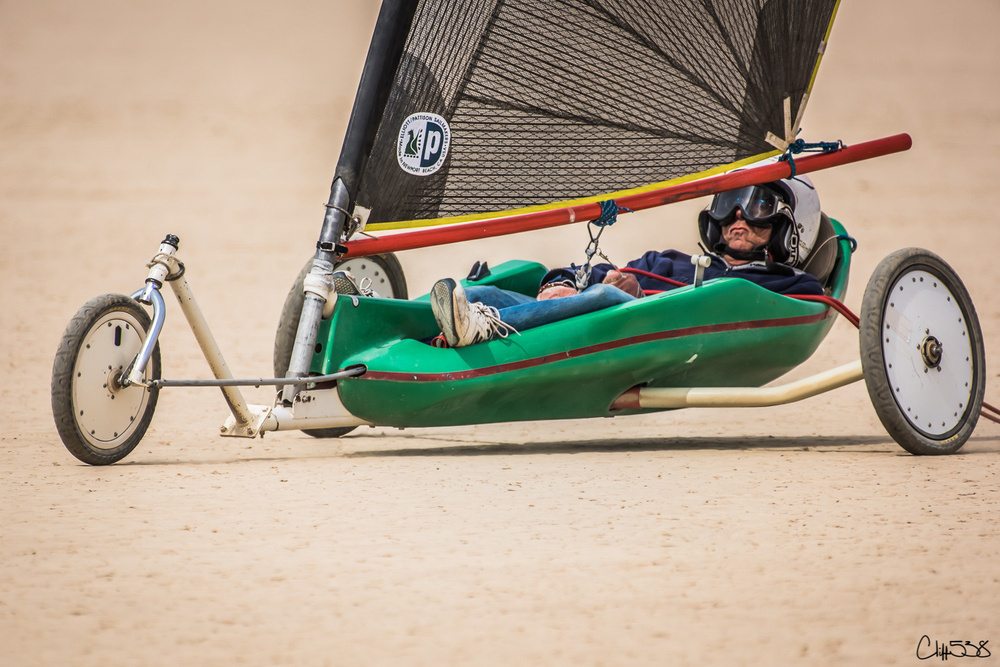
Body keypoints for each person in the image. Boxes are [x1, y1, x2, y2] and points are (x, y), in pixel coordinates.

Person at [429, 177, 827, 348]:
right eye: (730, 202)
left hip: (647, 336)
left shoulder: (790, 284)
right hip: (594, 326)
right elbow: (597, 273)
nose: (738, 216)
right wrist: (563, 281)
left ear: (792, 224)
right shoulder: (668, 261)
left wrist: (629, 294)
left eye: (758, 204)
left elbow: (802, 305)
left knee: (605, 296)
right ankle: (422, 316)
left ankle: (478, 327)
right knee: (484, 291)